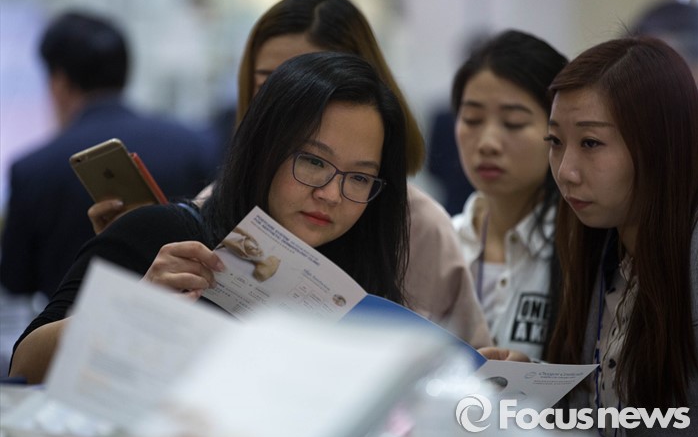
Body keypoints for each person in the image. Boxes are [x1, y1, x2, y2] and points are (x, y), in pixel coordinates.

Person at [90, 0, 491, 347]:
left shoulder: (413, 224)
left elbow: (467, 364)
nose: (292, 98)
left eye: (318, 78)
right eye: (271, 81)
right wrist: (134, 274)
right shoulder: (207, 213)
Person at [10, 52, 410, 384]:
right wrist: (135, 305)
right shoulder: (167, 236)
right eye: (313, 161)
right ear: (264, 149)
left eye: (359, 178)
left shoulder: (359, 291)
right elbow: (23, 367)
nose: (331, 194)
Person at [487, 36, 698, 437]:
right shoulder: (599, 243)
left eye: (591, 143)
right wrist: (535, 385)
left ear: (660, 145)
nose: (565, 171)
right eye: (555, 142)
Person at [0, 10, 219, 299]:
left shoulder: (32, 169)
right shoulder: (196, 144)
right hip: (191, 312)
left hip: (71, 319)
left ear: (59, 81)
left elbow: (16, 281)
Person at [450, 30, 567, 360]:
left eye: (513, 123)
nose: (488, 143)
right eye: (472, 119)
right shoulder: (441, 242)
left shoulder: (585, 250)